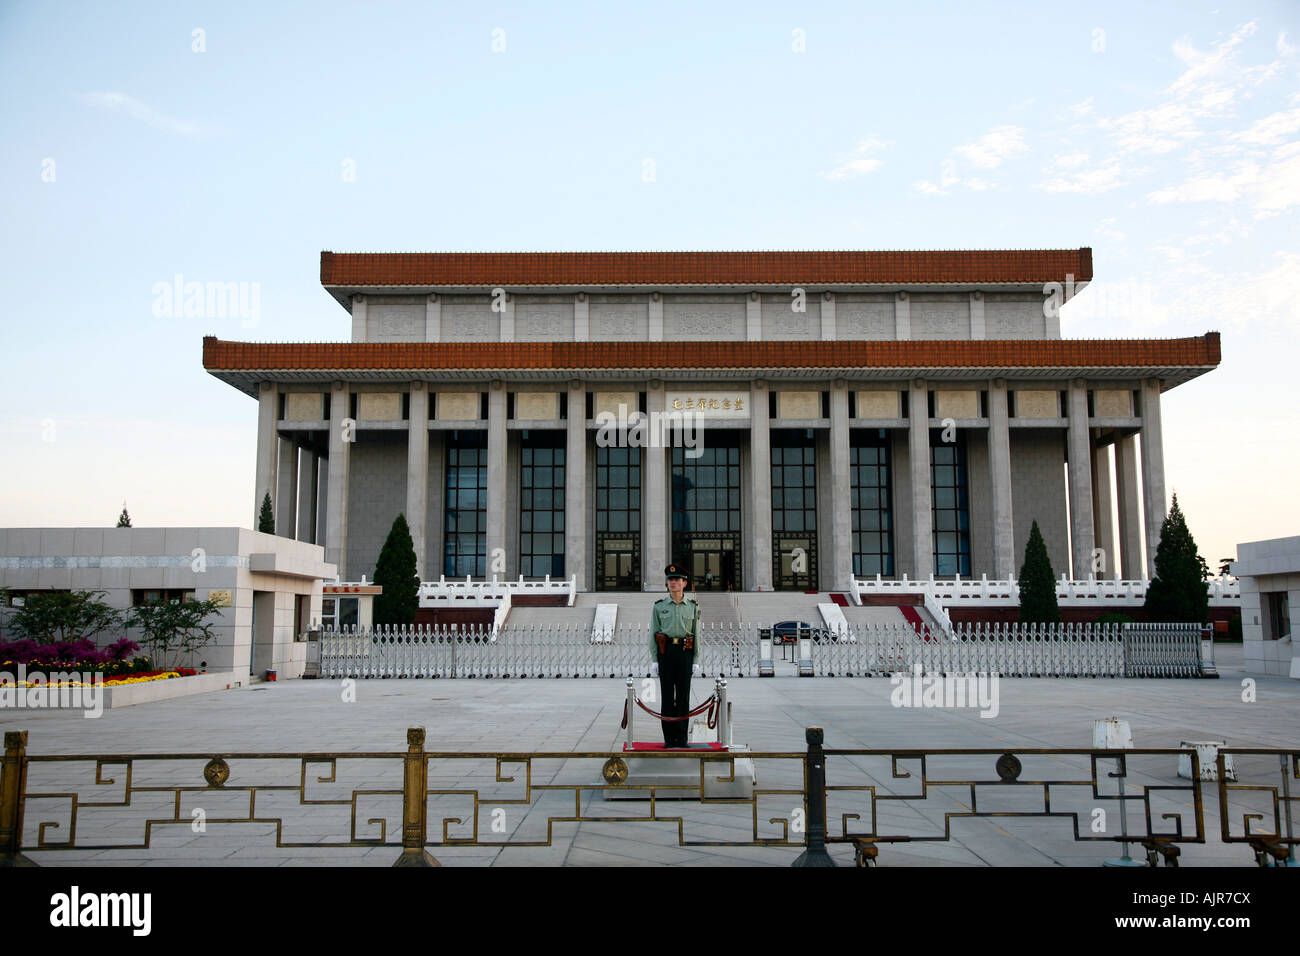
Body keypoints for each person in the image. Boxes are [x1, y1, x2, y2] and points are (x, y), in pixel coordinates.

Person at [650, 563, 700, 748]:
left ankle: (682, 737)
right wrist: (655, 659)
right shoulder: (659, 606)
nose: (673, 583)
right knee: (667, 697)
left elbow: (697, 634)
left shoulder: (692, 607)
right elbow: (653, 633)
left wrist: (695, 659)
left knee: (683, 697)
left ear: (684, 583)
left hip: (685, 653)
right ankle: (669, 739)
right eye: (671, 580)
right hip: (666, 653)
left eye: (677, 580)